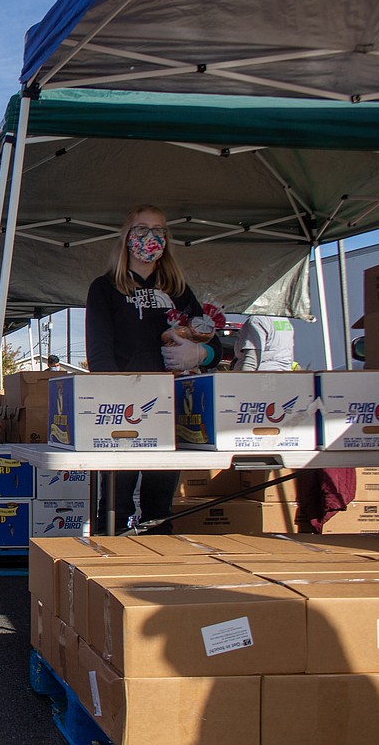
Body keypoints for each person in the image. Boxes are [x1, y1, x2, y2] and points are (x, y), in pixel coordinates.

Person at [85, 205, 223, 534]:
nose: (151, 237)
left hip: (171, 411)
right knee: (115, 506)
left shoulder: (178, 291)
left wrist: (198, 353)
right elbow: (100, 356)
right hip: (124, 413)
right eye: (142, 229)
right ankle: (109, 572)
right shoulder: (106, 288)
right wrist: (119, 402)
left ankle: (156, 569)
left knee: (159, 507)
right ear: (126, 237)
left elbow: (214, 346)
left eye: (159, 229)